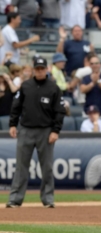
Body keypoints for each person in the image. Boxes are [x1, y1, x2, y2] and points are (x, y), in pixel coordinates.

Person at [6, 57, 66, 208]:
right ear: (33, 70)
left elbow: (59, 111)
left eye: (42, 68)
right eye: (37, 68)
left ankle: (48, 199)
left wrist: (55, 130)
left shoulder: (53, 88)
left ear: (46, 69)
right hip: (25, 129)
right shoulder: (26, 86)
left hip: (45, 131)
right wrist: (13, 124)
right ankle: (15, 199)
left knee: (47, 167)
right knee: (21, 166)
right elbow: (16, 106)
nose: (39, 71)